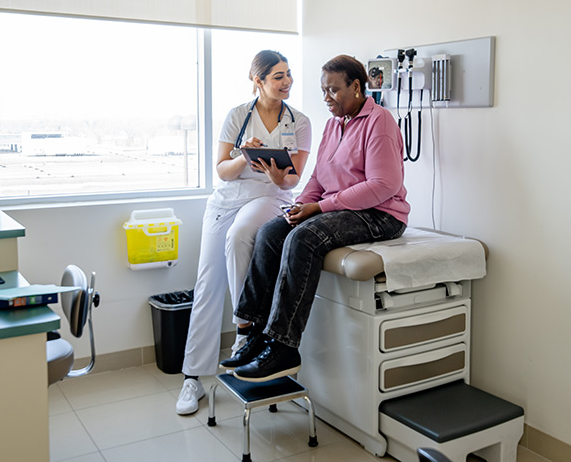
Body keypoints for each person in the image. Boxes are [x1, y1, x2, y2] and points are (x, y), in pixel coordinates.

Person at [220, 54, 410, 383]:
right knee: (271, 232)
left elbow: (383, 186)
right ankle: (255, 332)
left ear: (356, 86)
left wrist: (319, 208)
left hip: (380, 214)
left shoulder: (380, 122)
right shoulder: (335, 125)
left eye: (333, 91)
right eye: (323, 91)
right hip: (340, 208)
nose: (327, 99)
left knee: (302, 237)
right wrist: (302, 204)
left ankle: (283, 346)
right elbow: (319, 179)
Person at [175, 50, 312, 414]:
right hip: (226, 198)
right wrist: (245, 156)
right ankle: (192, 378)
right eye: (278, 76)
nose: (287, 83)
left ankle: (243, 331)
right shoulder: (238, 115)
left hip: (269, 195)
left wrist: (278, 175)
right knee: (207, 283)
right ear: (259, 80)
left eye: (288, 75)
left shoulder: (299, 121)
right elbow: (222, 170)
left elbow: (295, 176)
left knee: (240, 237)